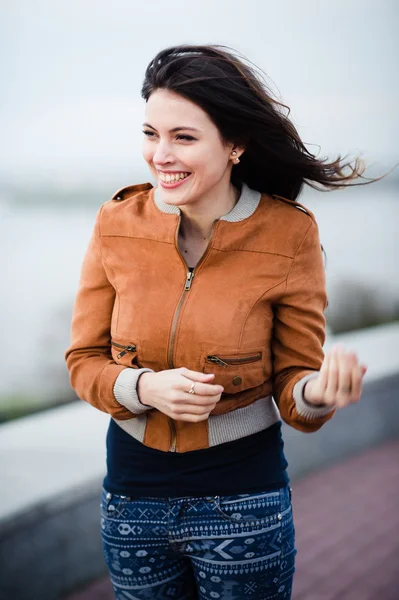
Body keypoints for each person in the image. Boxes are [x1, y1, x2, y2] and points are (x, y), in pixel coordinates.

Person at [65, 44, 372, 600]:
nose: (161, 154)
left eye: (183, 137)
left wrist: (320, 392)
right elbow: (83, 363)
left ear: (234, 145)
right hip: (132, 499)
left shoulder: (288, 235)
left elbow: (295, 388)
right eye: (151, 133)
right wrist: (144, 387)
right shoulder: (115, 223)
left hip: (243, 501)